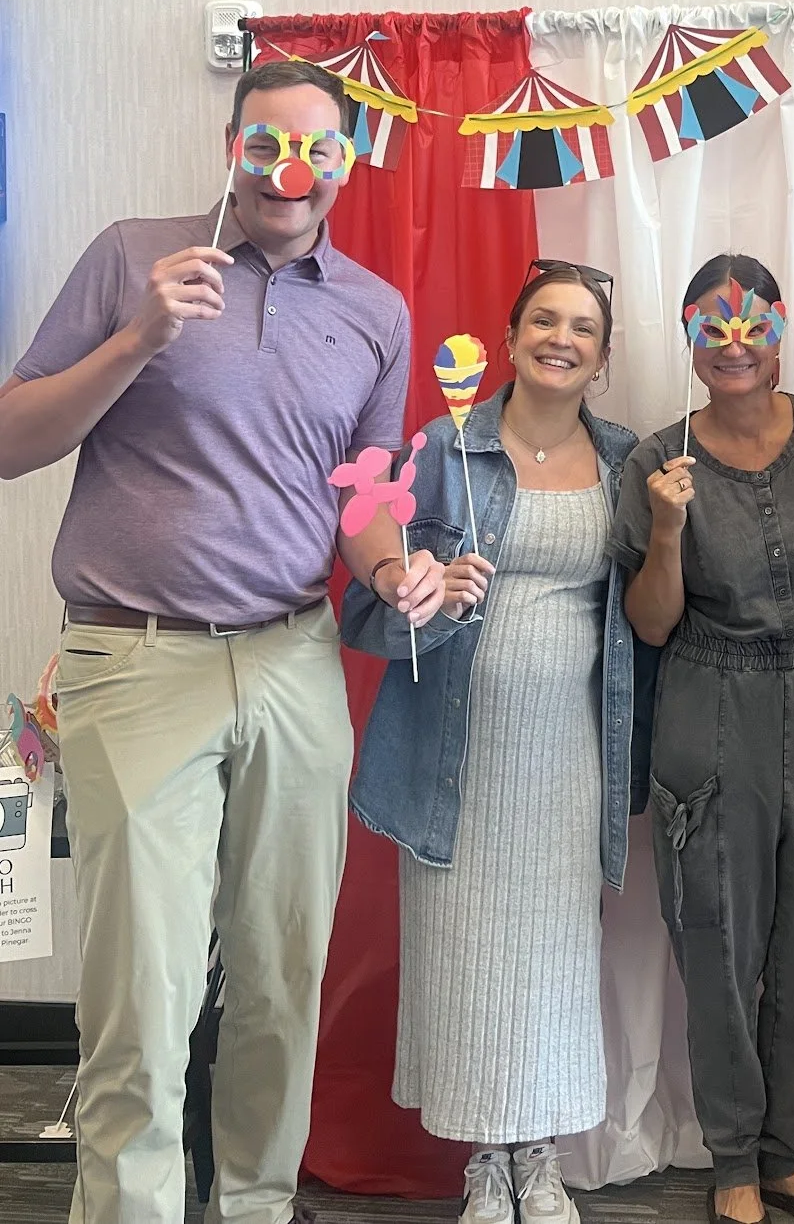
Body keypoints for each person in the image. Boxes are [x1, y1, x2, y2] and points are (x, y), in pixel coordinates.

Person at [0, 59, 444, 1224]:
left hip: (295, 662)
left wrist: (396, 566)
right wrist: (140, 335)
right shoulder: (132, 255)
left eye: (316, 150)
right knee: (140, 995)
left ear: (347, 163)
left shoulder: (374, 310)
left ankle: (253, 1202)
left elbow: (364, 490)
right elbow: (10, 438)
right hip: (136, 660)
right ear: (231, 145)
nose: (289, 172)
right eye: (265, 146)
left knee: (282, 975)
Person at [343, 261, 656, 1224]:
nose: (562, 339)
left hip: (574, 750)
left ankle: (544, 1158)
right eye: (544, 321)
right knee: (466, 953)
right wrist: (417, 587)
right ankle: (488, 1158)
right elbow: (364, 594)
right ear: (511, 336)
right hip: (458, 753)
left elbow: (649, 607)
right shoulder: (442, 448)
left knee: (556, 957)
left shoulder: (628, 459)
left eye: (584, 329)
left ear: (603, 358)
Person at [610, 254, 794, 1224]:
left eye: (748, 323)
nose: (731, 343)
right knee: (714, 934)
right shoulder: (654, 456)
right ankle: (730, 1155)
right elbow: (647, 622)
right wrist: (669, 530)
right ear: (686, 332)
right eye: (710, 326)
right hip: (706, 692)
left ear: (778, 324)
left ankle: (785, 1146)